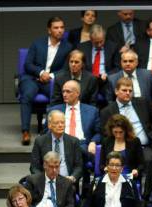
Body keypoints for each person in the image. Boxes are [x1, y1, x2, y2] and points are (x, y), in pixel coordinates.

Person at [100, 77, 152, 198]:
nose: (128, 93)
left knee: (149, 160)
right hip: (118, 146)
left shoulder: (143, 103)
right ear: (116, 91)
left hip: (144, 147)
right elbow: (105, 133)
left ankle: (146, 197)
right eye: (124, 90)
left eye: (130, 90)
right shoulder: (107, 111)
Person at [19, 16, 72, 145]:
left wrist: (51, 76)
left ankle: (49, 129)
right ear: (49, 30)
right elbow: (28, 64)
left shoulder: (68, 47)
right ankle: (25, 131)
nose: (60, 30)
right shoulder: (37, 43)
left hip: (51, 81)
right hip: (32, 78)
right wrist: (41, 72)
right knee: (27, 95)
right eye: (56, 28)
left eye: (62, 28)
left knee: (59, 96)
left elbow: (66, 69)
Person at [48, 79, 101, 158]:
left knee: (79, 150)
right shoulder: (54, 110)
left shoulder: (92, 111)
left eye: (68, 92)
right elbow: (47, 131)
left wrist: (93, 142)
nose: (64, 94)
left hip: (82, 144)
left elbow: (99, 132)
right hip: (60, 142)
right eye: (63, 91)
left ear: (77, 93)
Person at [30, 110, 83, 184]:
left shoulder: (73, 141)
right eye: (56, 123)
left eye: (62, 122)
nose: (60, 125)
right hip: (46, 182)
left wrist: (73, 177)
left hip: (67, 182)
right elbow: (34, 167)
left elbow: (79, 166)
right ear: (49, 125)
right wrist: (42, 180)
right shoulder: (40, 141)